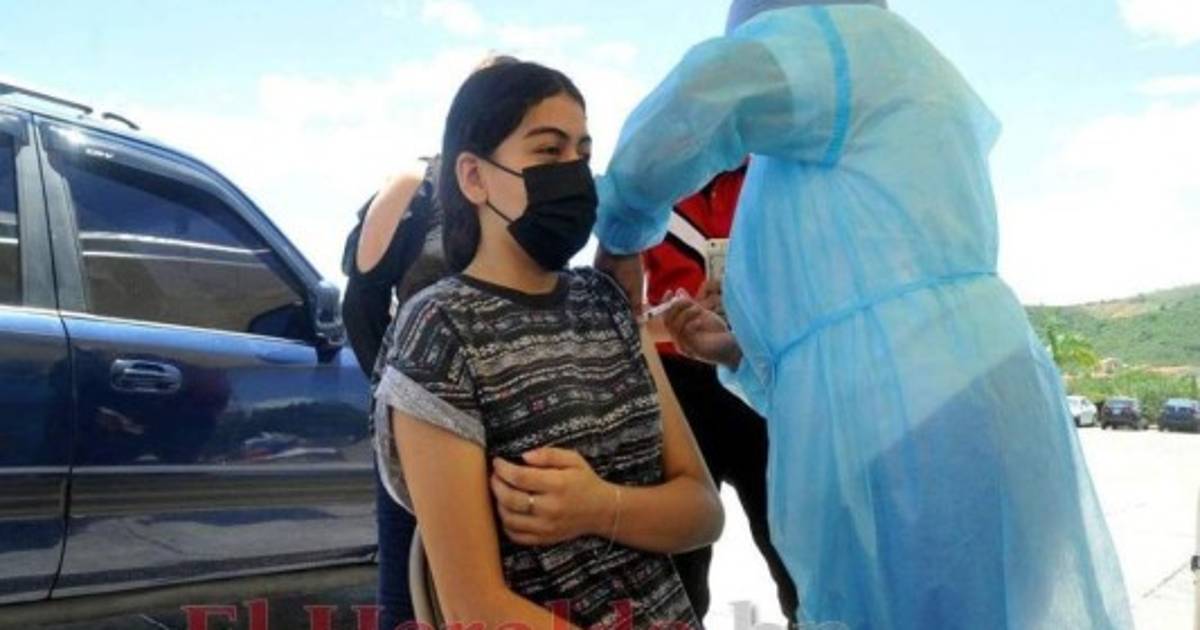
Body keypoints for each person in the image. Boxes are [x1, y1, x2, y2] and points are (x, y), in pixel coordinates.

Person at [593, 1, 1133, 628]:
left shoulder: (835, 40)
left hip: (914, 427)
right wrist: (740, 353)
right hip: (956, 402)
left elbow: (698, 101)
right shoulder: (890, 78)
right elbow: (849, 301)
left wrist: (621, 236)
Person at [372, 59, 723, 628]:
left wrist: (599, 507)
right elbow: (473, 608)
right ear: (474, 177)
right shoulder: (441, 329)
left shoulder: (606, 305)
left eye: (582, 154)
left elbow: (703, 513)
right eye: (548, 150)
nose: (573, 173)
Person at [643, 165, 798, 622]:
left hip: (763, 378)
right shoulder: (651, 182)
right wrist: (680, 316)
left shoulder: (778, 177)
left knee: (792, 549)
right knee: (681, 566)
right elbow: (622, 309)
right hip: (679, 388)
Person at [341, 157, 445, 629]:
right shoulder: (416, 185)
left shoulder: (539, 195)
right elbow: (361, 307)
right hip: (424, 429)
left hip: (517, 425)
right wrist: (407, 402)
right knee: (407, 604)